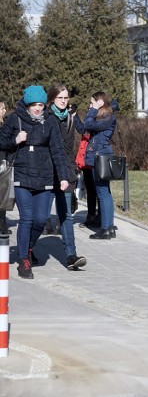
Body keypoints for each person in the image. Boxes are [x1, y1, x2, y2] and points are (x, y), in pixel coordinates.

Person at [0, 86, 70, 279]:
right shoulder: (16, 119)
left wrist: (63, 176)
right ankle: (23, 260)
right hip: (22, 176)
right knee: (27, 218)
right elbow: (1, 140)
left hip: (45, 177)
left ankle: (27, 247)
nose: (37, 109)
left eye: (40, 104)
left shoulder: (50, 121)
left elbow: (57, 150)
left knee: (40, 219)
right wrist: (15, 140)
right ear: (27, 104)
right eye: (34, 105)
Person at [46, 85, 87, 270]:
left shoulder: (70, 118)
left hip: (66, 172)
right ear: (52, 99)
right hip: (47, 173)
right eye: (60, 98)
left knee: (66, 216)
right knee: (40, 217)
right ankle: (27, 251)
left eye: (66, 98)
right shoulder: (46, 117)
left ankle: (71, 255)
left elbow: (82, 134)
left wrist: (72, 170)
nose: (64, 101)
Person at [83, 91, 116, 240]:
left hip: (101, 156)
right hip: (101, 155)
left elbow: (88, 124)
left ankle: (106, 228)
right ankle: (108, 227)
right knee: (105, 192)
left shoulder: (108, 117)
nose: (90, 106)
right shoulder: (104, 118)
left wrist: (94, 109)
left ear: (100, 102)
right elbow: (86, 126)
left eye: (92, 103)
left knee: (102, 193)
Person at [0, 102, 11, 235]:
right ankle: (2, 224)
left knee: (3, 196)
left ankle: (2, 222)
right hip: (1, 162)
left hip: (4, 162)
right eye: (2, 108)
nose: (5, 110)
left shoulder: (4, 124)